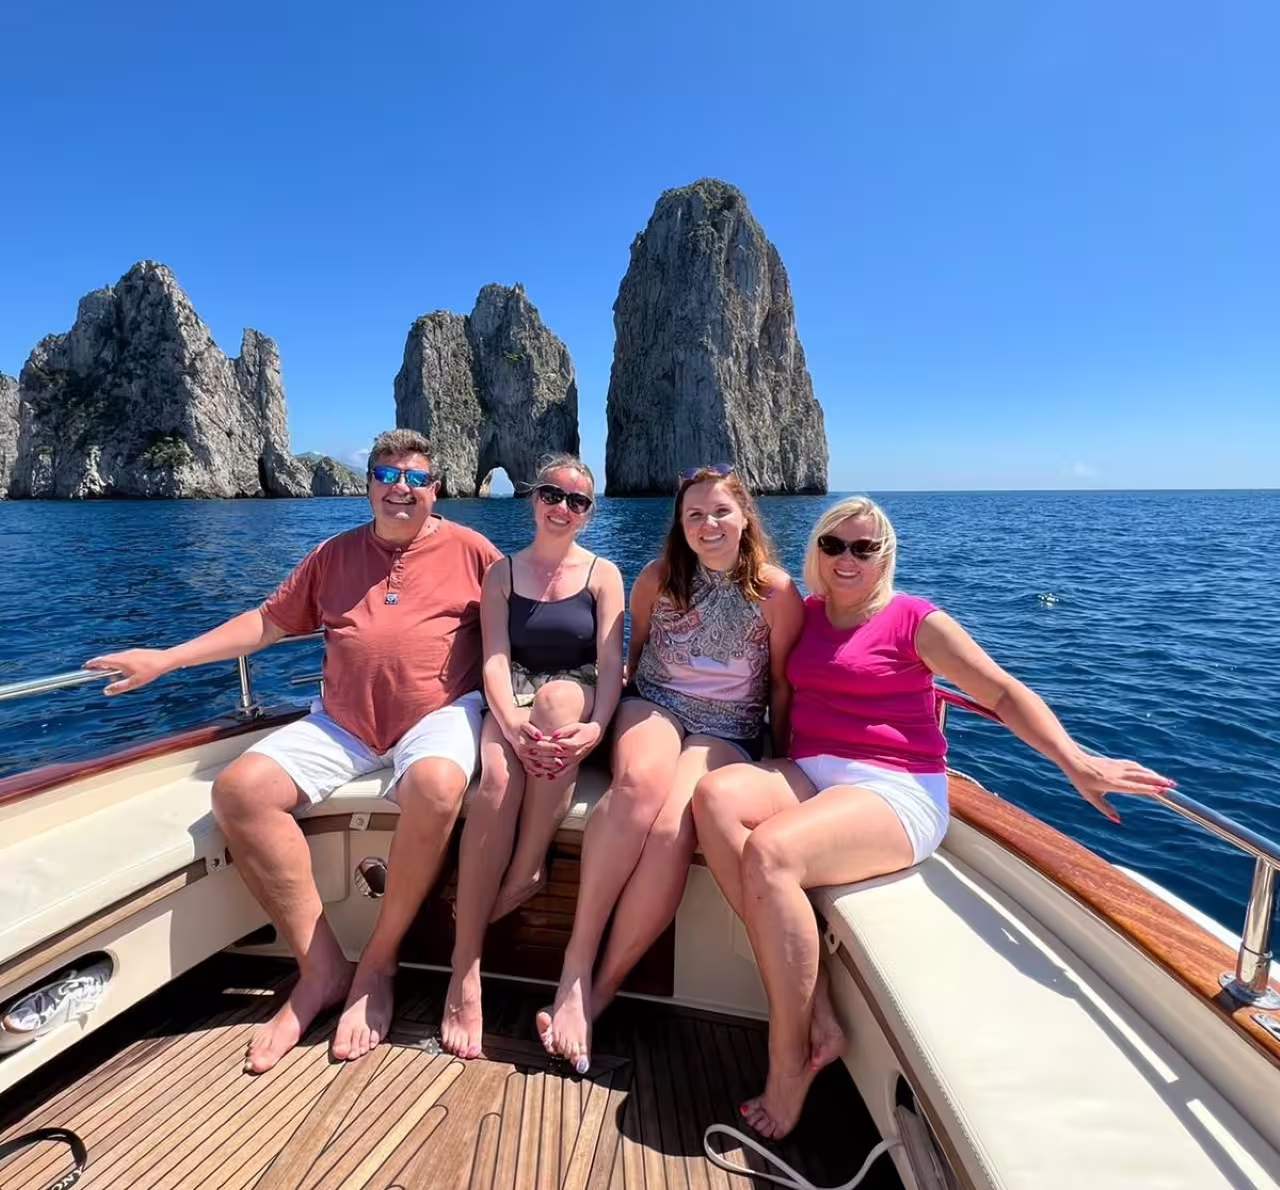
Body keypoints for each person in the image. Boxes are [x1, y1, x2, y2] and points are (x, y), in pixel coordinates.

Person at [692, 495, 1177, 1139]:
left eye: (864, 548)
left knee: (772, 854)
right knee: (715, 797)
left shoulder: (913, 619)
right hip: (813, 773)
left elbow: (1001, 691)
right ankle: (822, 1014)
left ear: (885, 556)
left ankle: (789, 1065)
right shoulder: (806, 615)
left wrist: (1076, 761)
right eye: (835, 545)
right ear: (816, 551)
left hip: (896, 790)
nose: (847, 559)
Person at [86, 429, 502, 1074]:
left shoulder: (473, 550)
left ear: (435, 489)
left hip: (438, 713)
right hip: (342, 720)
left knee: (440, 786)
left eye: (416, 479)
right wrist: (166, 659)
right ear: (367, 484)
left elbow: (520, 622)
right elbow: (266, 623)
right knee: (240, 791)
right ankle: (321, 969)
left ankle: (377, 964)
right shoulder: (333, 555)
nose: (401, 489)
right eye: (387, 475)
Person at [537, 463, 805, 1072]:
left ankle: (600, 990)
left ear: (744, 519)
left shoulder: (776, 593)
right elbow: (634, 658)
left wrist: (781, 756)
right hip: (654, 704)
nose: (708, 524)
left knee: (670, 827)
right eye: (694, 514)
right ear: (679, 524)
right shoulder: (658, 578)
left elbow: (782, 688)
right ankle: (574, 969)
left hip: (728, 726)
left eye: (720, 512)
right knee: (637, 788)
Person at [442, 455, 624, 1059]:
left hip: (574, 690)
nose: (563, 507)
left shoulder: (604, 575)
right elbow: (493, 656)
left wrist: (597, 727)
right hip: (512, 692)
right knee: (494, 779)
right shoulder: (501, 573)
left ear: (589, 514)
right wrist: (508, 719)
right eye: (554, 493)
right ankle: (464, 969)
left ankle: (525, 869)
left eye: (578, 501)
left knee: (554, 702)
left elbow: (611, 664)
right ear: (533, 498)